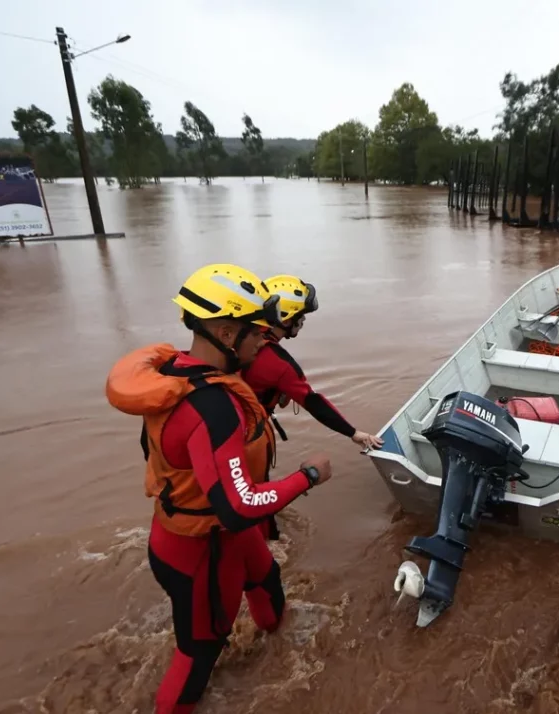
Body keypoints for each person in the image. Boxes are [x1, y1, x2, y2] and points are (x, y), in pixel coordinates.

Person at [105, 263, 333, 714]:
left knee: (267, 582)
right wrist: (307, 476)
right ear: (228, 333)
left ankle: (276, 653)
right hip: (200, 550)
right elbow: (238, 505)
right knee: (199, 654)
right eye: (257, 333)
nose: (265, 341)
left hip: (217, 536)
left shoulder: (175, 372)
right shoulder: (213, 407)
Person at [242, 274, 383, 452]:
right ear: (285, 319)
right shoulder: (280, 363)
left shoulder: (238, 340)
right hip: (247, 436)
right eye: (300, 316)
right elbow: (312, 402)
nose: (303, 321)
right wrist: (353, 433)